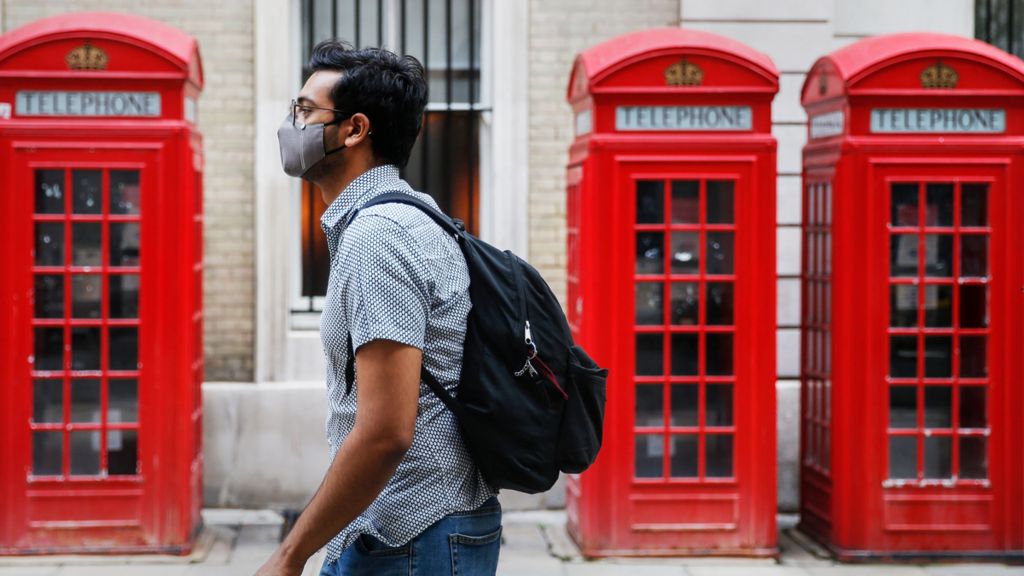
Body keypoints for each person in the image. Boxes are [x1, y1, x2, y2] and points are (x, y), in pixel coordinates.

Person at [255, 40, 499, 576]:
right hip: (435, 526)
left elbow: (386, 431)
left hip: (409, 537)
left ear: (355, 129)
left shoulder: (378, 237)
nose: (291, 126)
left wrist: (290, 553)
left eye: (305, 111)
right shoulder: (420, 213)